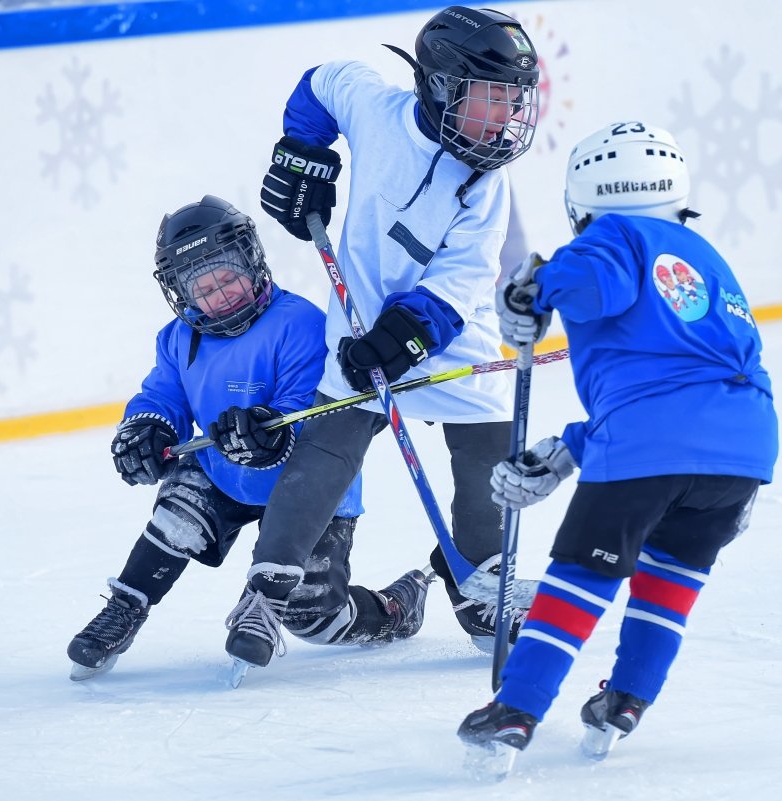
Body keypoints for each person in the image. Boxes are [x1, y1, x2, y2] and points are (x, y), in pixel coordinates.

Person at [456, 122, 780, 775]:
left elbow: (594, 283)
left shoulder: (612, 234)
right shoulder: (706, 258)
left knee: (583, 574)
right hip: (744, 448)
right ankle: (626, 700)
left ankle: (516, 709)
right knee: (672, 578)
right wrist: (573, 448)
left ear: (584, 202)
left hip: (649, 443)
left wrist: (533, 288)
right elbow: (682, 383)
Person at [222, 5, 543, 664]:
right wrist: (302, 154)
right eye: (490, 99)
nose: (506, 118)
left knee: (488, 453)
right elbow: (320, 83)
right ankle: (266, 587)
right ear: (440, 86)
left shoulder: (486, 183)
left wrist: (402, 340)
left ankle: (480, 582)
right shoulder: (375, 109)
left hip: (451, 334)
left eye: (514, 100)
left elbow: (458, 282)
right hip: (357, 322)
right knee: (326, 447)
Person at [65, 195, 431, 682]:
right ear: (181, 294)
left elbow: (310, 407)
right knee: (179, 511)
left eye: (228, 277)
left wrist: (273, 431)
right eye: (205, 288)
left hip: (310, 487)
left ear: (252, 262)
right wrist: (149, 427)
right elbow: (163, 394)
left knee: (313, 618)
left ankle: (391, 610)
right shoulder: (177, 338)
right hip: (223, 471)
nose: (221, 295)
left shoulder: (299, 323)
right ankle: (125, 607)